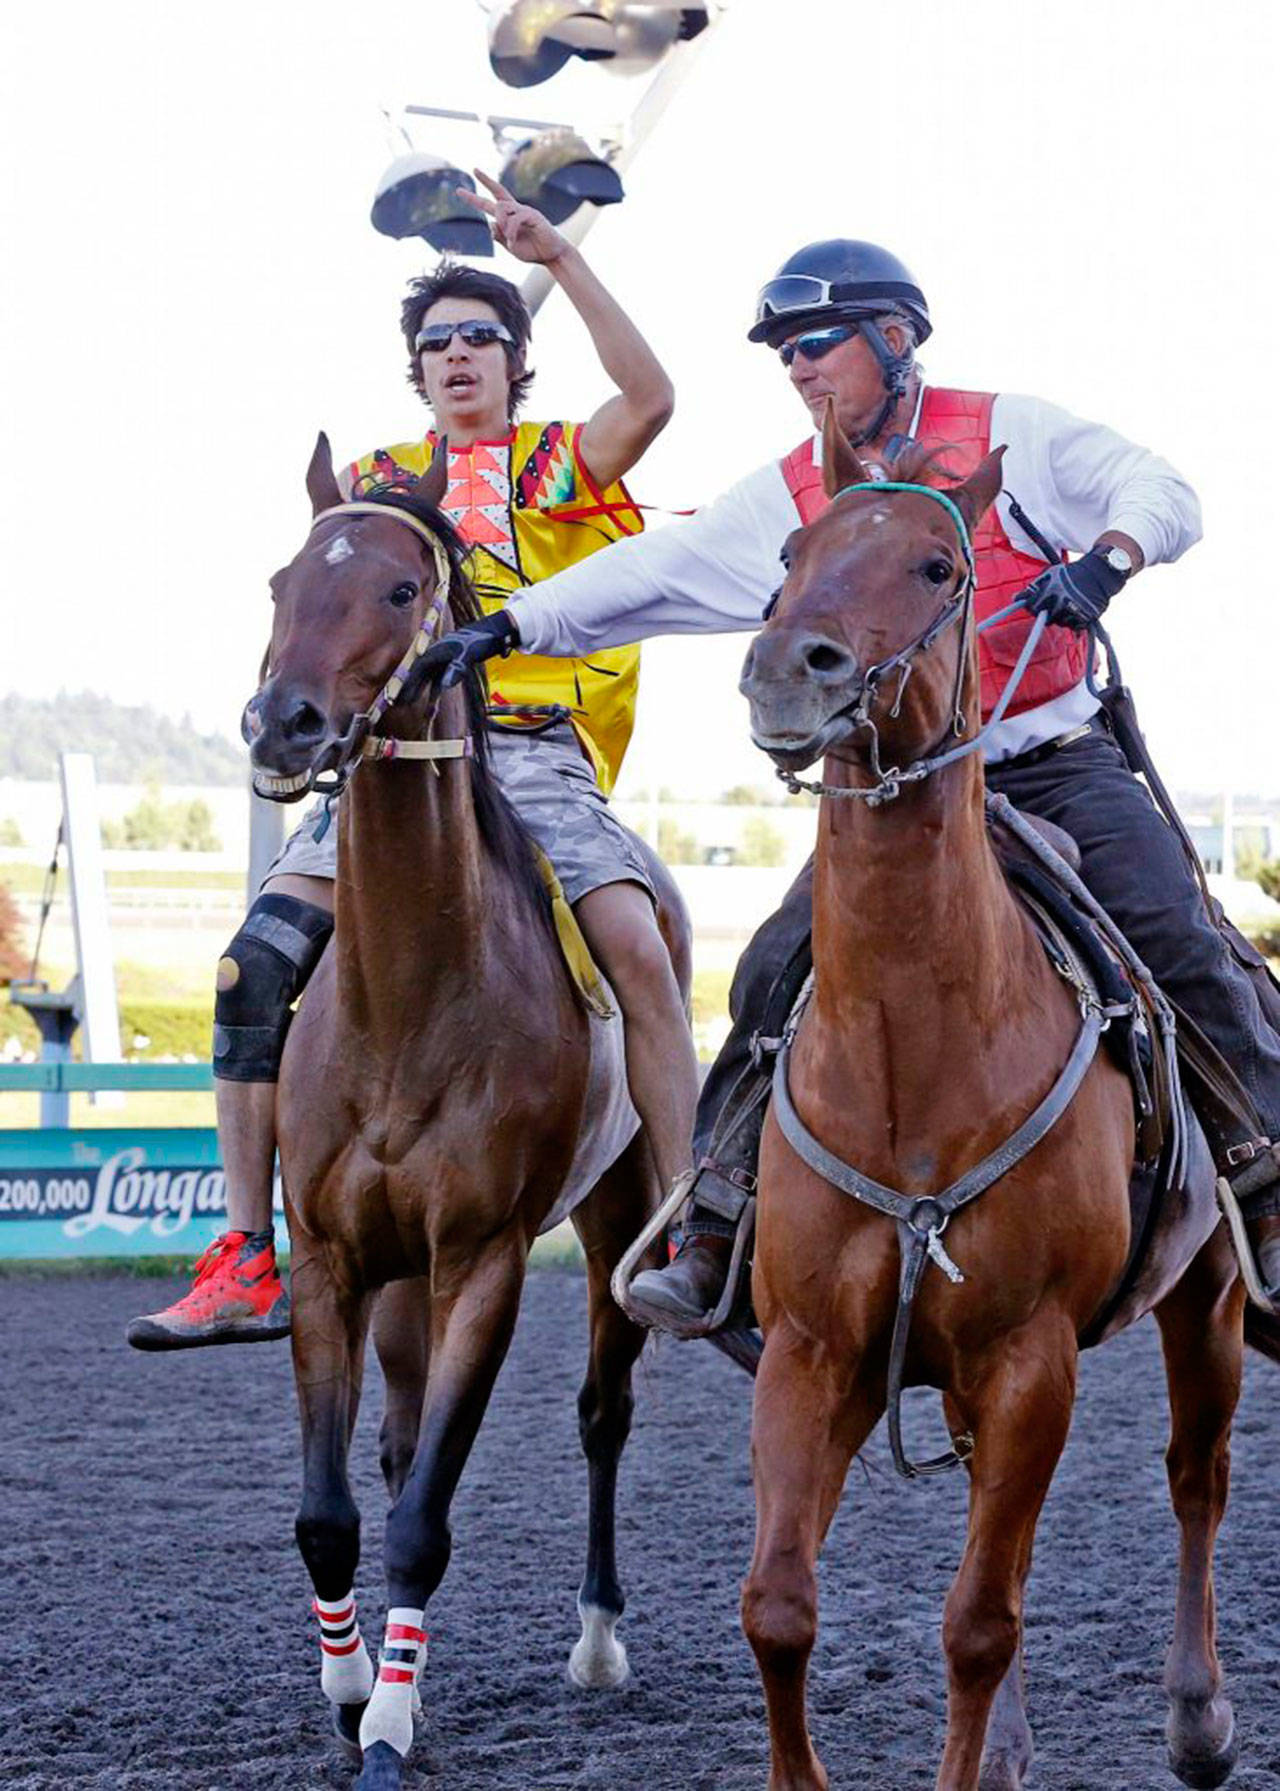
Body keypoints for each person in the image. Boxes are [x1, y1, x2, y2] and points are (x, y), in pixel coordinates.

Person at [420, 237, 1280, 1329]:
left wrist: (1105, 560)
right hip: (889, 795)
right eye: (785, 356)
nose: (799, 370)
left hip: (1055, 768)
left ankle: (1264, 1189)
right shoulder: (791, 488)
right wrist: (505, 626)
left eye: (816, 345)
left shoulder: (1010, 430)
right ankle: (715, 1220)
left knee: (1181, 943)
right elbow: (652, 574)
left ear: (896, 337)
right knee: (769, 973)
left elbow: (1159, 490)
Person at [127, 174, 698, 1349]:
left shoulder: (558, 465)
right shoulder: (384, 481)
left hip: (535, 758)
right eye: (435, 345)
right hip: (391, 770)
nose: (456, 359)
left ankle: (692, 1222)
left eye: (480, 339)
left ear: (515, 358)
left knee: (638, 948)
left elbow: (650, 394)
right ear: (417, 371)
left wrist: (562, 255)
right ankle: (244, 1250)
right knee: (248, 970)